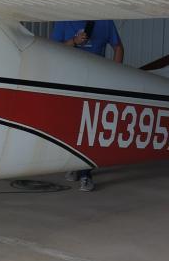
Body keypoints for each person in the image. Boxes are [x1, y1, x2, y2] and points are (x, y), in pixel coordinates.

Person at [50, 19, 125, 192]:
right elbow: (53, 49)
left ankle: (85, 174)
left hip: (95, 83)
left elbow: (118, 47)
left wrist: (116, 75)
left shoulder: (105, 22)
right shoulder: (64, 22)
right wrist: (74, 42)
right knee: (70, 126)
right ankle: (75, 164)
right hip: (70, 82)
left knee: (89, 128)